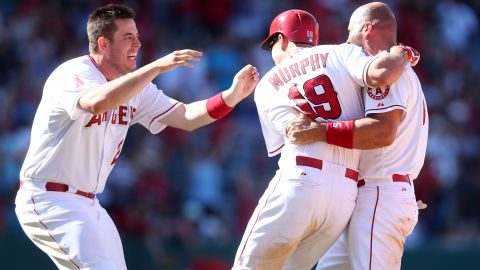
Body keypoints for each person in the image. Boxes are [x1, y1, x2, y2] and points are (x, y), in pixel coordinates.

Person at [15, 4, 259, 270]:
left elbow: (187, 117)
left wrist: (231, 96)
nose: (137, 44)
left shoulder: (136, 87)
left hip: (90, 204)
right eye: (128, 37)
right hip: (49, 198)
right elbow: (97, 102)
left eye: (138, 37)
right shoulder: (73, 73)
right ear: (103, 44)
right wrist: (154, 68)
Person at [232, 8, 419, 270]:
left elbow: (292, 135)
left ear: (282, 40)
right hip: (344, 198)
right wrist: (402, 53)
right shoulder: (342, 53)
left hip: (301, 179)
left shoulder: (267, 84)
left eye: (272, 44)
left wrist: (320, 129)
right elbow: (380, 73)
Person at [286, 2, 428, 270]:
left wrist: (319, 131)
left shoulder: (387, 73)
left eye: (349, 32)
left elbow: (381, 132)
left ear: (367, 28)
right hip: (373, 193)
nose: (347, 41)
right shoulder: (393, 66)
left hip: (379, 193)